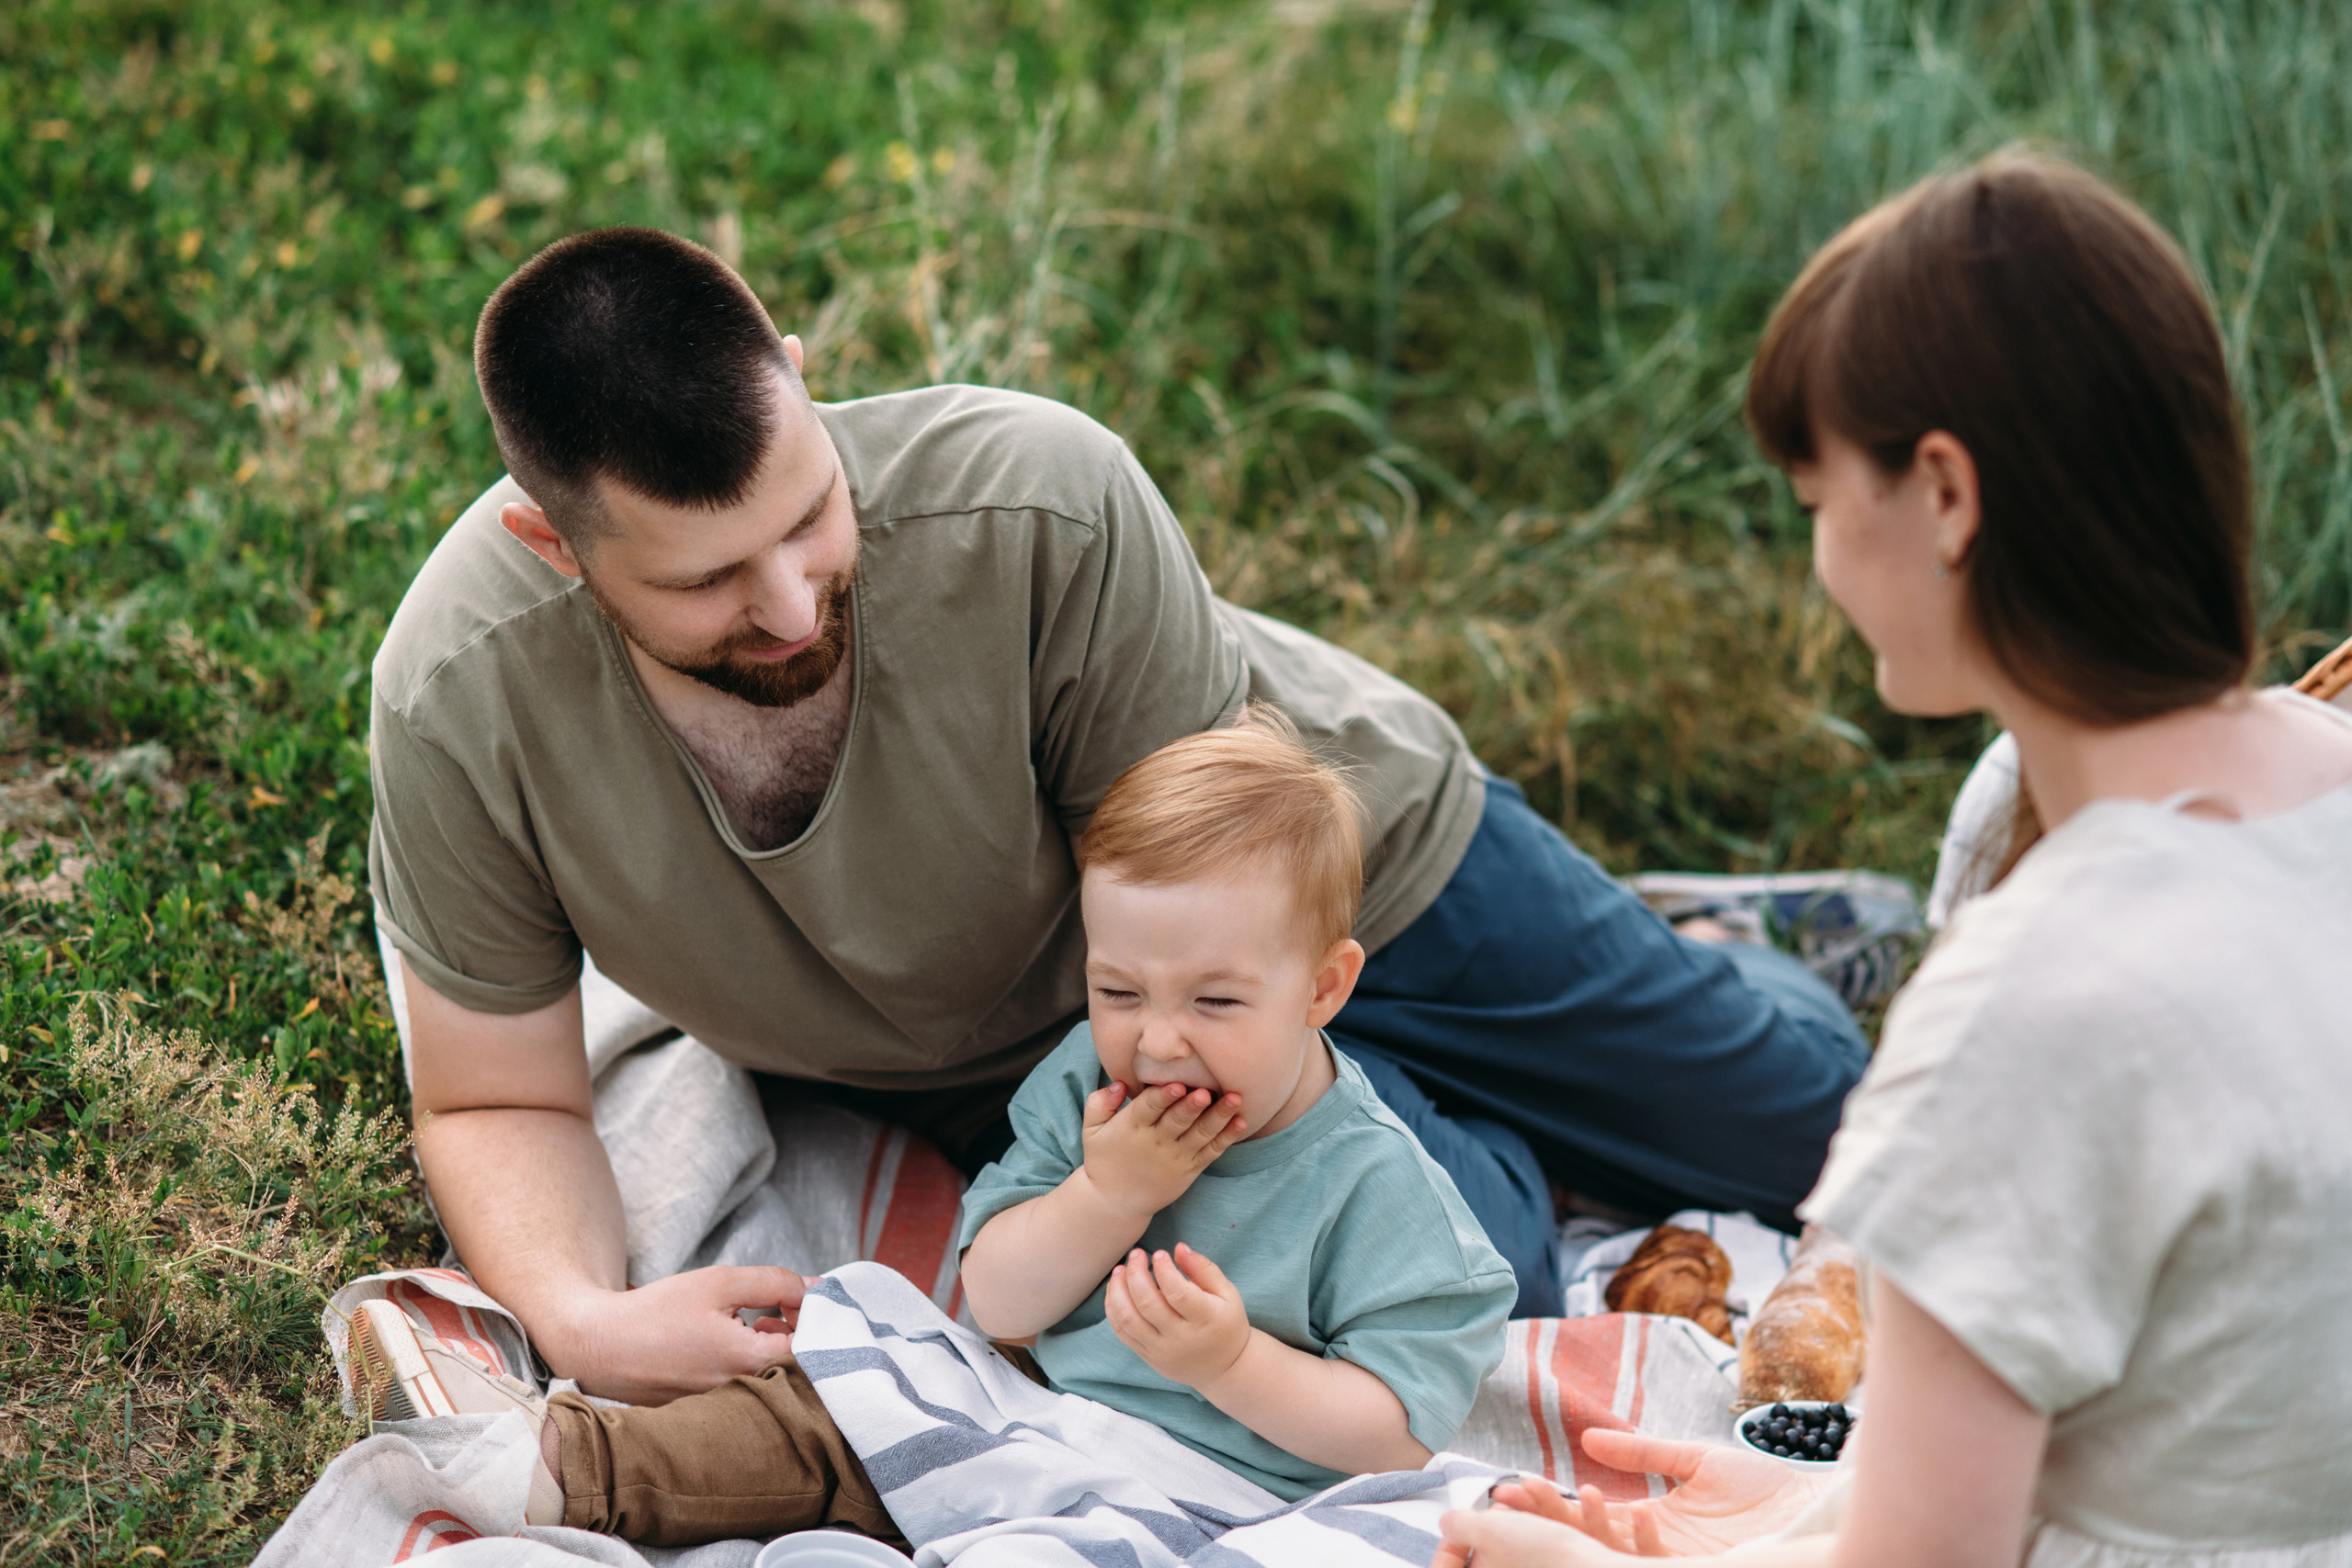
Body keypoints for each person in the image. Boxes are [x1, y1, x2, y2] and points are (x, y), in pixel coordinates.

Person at [368, 223, 1867, 1396]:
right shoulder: (458, 699)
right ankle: (1510, 1138)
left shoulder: (1042, 497)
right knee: (1468, 1293)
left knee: (1818, 1137)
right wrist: (584, 1318)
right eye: (708, 581)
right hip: (1053, 1050)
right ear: (551, 545)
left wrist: (1308, 1117)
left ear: (805, 381)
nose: (793, 602)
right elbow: (497, 1094)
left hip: (1354, 872)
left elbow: (1214, 884)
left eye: (810, 513)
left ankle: (1731, 966)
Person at [1432, 151, 2352, 1568]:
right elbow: (2178, 1418)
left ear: (1945, 494)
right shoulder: (2314, 777)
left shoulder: (2028, 996)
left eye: (1817, 497)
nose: (1816, 555)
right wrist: (1798, 1516)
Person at [352, 715, 1515, 1546]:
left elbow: (1394, 1438)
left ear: (1323, 988)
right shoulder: (1091, 1085)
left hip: (1205, 1498)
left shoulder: (1378, 1189)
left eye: (1214, 1003)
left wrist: (1228, 1362)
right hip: (1023, 1407)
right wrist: (1107, 1194)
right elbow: (998, 1301)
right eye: (1119, 990)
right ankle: (556, 1467)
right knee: (833, 1405)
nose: (1159, 1041)